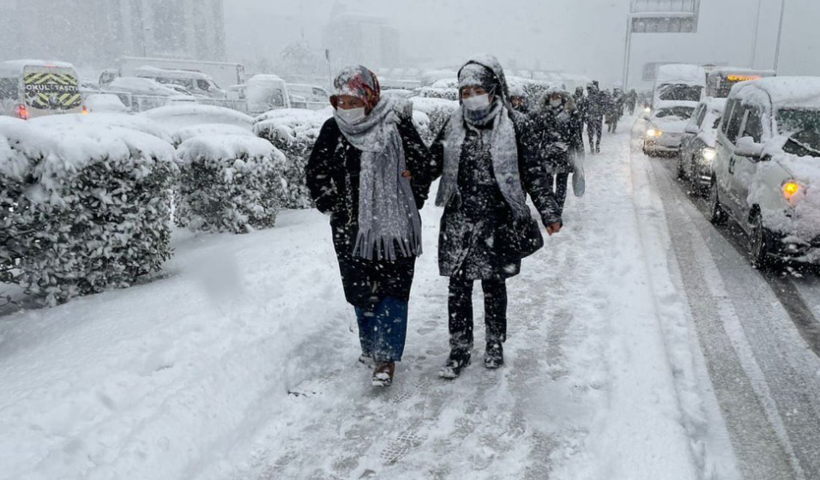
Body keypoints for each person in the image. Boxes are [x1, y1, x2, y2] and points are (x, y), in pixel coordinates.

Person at [428, 55, 563, 379]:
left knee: (493, 286)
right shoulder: (453, 124)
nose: (470, 96)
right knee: (458, 289)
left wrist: (548, 211)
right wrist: (411, 177)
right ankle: (459, 349)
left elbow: (533, 173)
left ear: (493, 90)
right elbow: (432, 162)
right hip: (460, 218)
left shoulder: (516, 125)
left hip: (498, 219)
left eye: (477, 89)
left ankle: (494, 343)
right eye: (464, 91)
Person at [306, 65, 432, 388]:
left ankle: (385, 358)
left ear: (369, 96)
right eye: (340, 102)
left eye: (352, 100)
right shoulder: (332, 131)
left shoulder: (396, 125)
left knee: (392, 291)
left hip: (394, 227)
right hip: (351, 229)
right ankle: (371, 347)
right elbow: (315, 172)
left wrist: (411, 191)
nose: (346, 108)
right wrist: (333, 203)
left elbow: (424, 163)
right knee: (362, 292)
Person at [532, 88, 586, 217]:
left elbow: (576, 135)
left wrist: (580, 153)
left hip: (565, 155)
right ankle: (551, 208)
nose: (555, 99)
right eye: (552, 96)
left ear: (563, 98)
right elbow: (537, 135)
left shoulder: (572, 114)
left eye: (557, 96)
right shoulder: (543, 114)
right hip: (548, 154)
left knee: (561, 185)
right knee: (548, 185)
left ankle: (558, 209)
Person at [583, 81, 605, 154]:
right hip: (593, 117)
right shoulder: (588, 97)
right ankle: (594, 145)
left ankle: (594, 145)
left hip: (594, 117)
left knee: (594, 132)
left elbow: (603, 105)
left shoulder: (595, 96)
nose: (588, 90)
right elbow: (585, 108)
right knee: (594, 132)